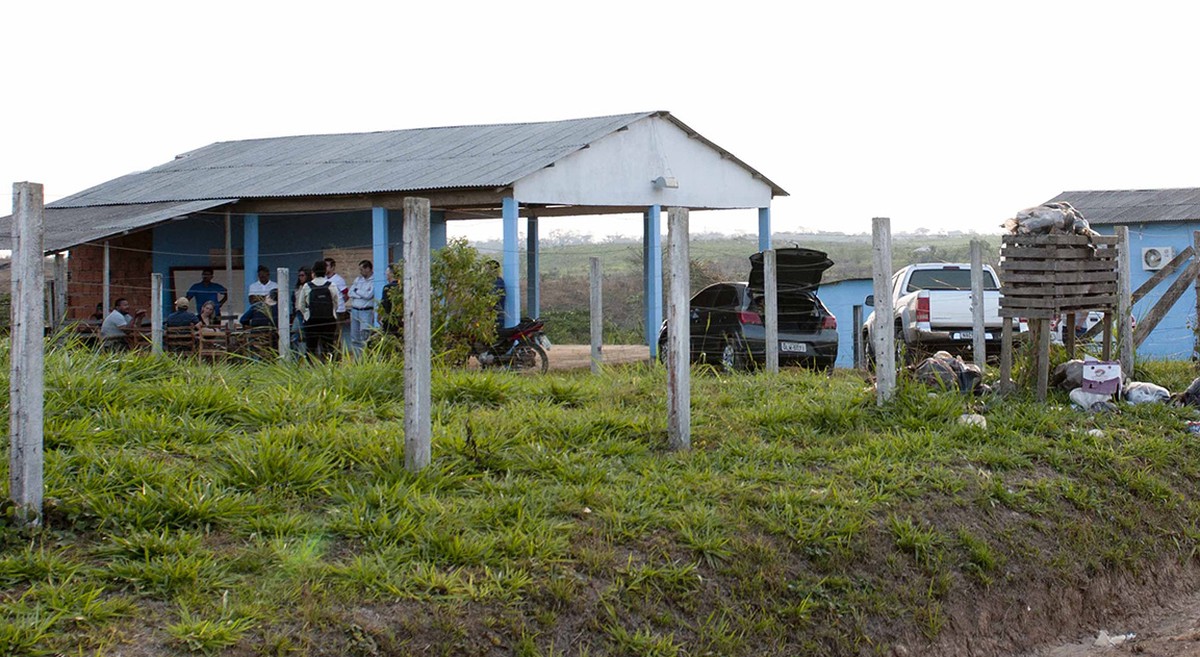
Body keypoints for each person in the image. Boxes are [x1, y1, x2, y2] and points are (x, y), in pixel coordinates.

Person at [298, 259, 339, 359]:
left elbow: (300, 305)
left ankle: (310, 369)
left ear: (313, 272)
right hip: (328, 321)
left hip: (311, 321)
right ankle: (330, 368)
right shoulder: (331, 285)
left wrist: (306, 315)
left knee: (311, 347)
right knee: (329, 347)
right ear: (325, 271)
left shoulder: (307, 286)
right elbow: (336, 303)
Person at [348, 259, 376, 356]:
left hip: (366, 311)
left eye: (362, 269)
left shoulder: (374, 280)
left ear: (368, 268)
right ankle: (357, 359)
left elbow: (368, 295)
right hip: (355, 310)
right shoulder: (358, 279)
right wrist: (360, 293)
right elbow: (350, 292)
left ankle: (366, 357)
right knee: (355, 337)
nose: (360, 272)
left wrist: (357, 291)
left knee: (365, 336)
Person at [378, 265, 401, 335]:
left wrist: (380, 316)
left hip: (390, 319)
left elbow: (384, 304)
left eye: (386, 273)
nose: (386, 275)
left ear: (391, 274)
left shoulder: (388, 287)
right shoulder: (402, 286)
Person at [488, 259, 507, 327]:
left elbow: (494, 299)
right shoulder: (488, 282)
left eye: (487, 269)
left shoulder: (498, 282)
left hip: (495, 318)